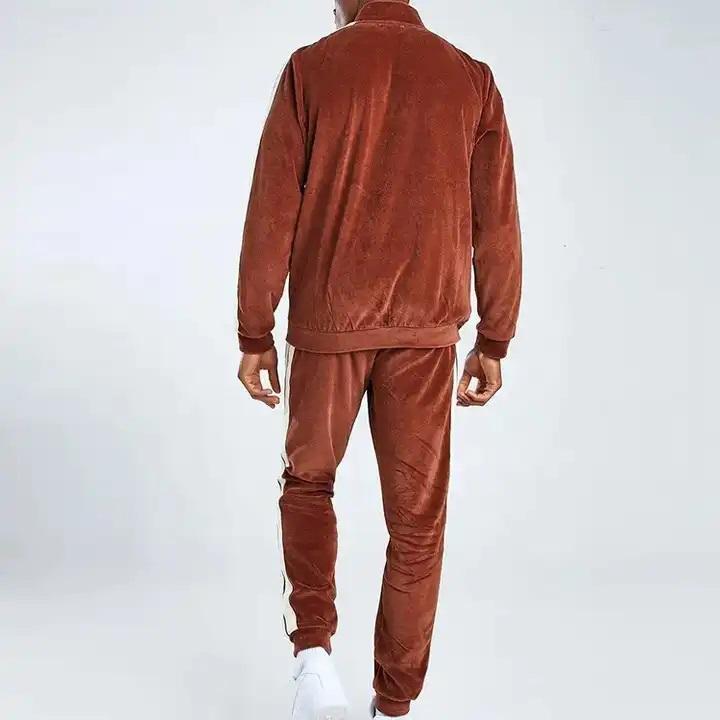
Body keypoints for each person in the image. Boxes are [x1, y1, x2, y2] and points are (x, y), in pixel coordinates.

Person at [236, 0, 522, 717]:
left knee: (308, 485)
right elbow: (497, 219)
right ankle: (393, 705)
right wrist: (494, 337)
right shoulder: (470, 78)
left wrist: (254, 332)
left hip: (328, 326)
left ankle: (312, 661)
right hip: (426, 336)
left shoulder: (311, 68)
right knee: (417, 523)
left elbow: (272, 207)